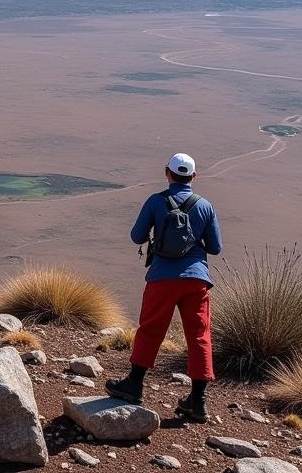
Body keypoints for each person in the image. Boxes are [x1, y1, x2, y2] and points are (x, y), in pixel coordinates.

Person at [106, 152, 223, 423]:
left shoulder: (156, 201)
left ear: (167, 173)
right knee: (199, 336)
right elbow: (215, 248)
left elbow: (136, 236)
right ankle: (198, 401)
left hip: (162, 277)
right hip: (196, 280)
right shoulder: (205, 206)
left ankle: (134, 385)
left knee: (151, 329)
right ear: (193, 177)